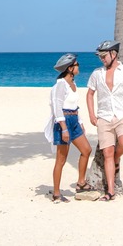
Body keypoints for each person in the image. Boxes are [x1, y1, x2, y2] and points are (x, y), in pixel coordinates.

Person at [87, 40, 123, 201]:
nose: (102, 59)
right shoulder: (97, 73)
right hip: (104, 117)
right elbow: (89, 94)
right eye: (100, 57)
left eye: (104, 56)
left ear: (114, 54)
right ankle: (110, 191)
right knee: (107, 153)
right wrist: (92, 115)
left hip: (122, 115)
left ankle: (118, 158)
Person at [46, 53, 93, 203]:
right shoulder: (60, 84)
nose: (79, 66)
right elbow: (57, 107)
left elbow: (74, 106)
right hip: (63, 122)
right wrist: (64, 128)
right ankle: (56, 193)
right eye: (76, 64)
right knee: (61, 159)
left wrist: (80, 122)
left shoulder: (73, 84)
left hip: (73, 120)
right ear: (70, 68)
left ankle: (81, 182)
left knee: (86, 150)